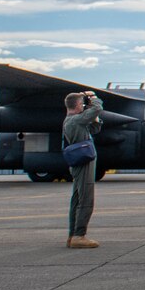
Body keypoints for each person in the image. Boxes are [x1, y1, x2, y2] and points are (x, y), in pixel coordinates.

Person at [61, 91, 103, 249]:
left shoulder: (74, 121)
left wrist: (93, 116)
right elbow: (97, 109)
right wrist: (94, 99)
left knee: (77, 199)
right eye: (82, 103)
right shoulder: (75, 121)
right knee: (86, 199)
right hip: (84, 163)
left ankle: (73, 235)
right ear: (77, 105)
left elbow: (95, 129)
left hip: (81, 162)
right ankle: (79, 235)